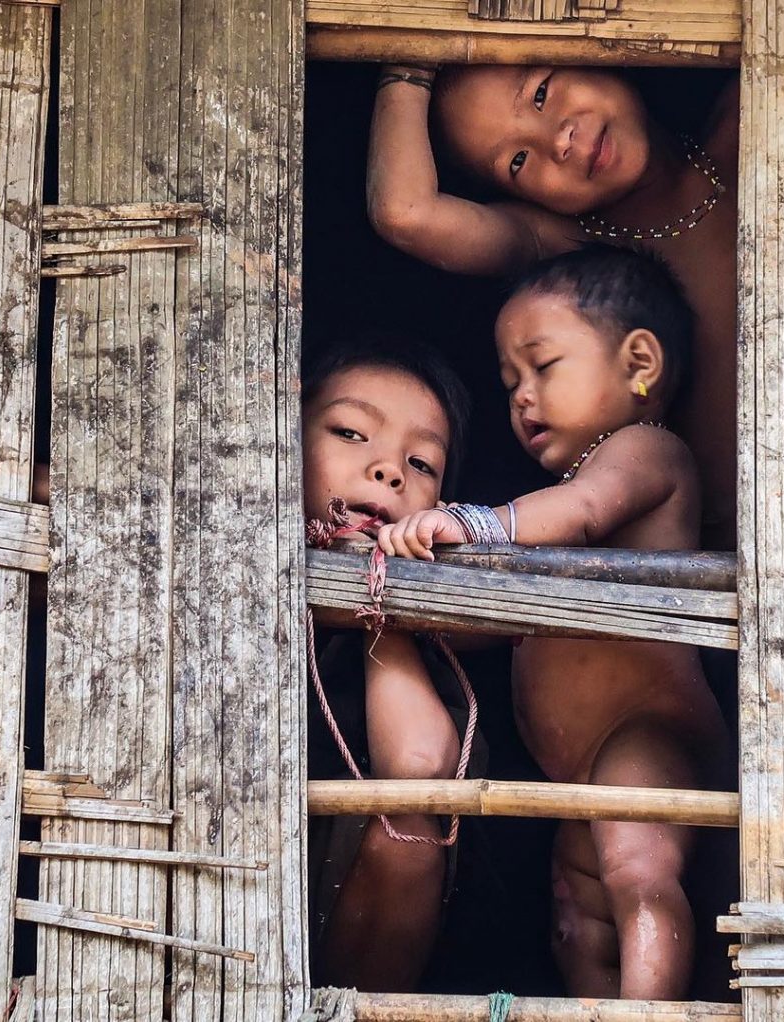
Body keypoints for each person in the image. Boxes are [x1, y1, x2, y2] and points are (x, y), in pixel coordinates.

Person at [377, 249, 729, 999]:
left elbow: (586, 508)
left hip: (647, 731)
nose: (523, 399)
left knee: (638, 874)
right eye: (510, 384)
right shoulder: (557, 502)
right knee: (578, 917)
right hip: (584, 767)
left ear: (640, 362)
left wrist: (471, 525)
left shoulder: (643, 452)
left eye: (542, 366)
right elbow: (504, 621)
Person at [367, 63, 738, 551]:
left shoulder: (761, 124)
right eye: (518, 162)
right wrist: (408, 63)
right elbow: (406, 213)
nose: (557, 141)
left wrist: (476, 525)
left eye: (541, 92)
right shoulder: (572, 250)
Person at [302, 337, 480, 992]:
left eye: (422, 463)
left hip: (340, 949)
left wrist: (376, 600)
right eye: (351, 432)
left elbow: (416, 770)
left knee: (409, 833)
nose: (389, 472)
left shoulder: (423, 646)